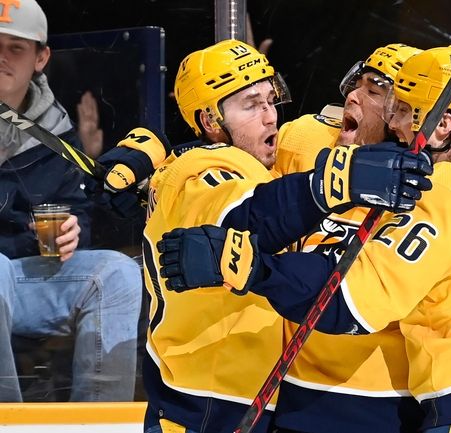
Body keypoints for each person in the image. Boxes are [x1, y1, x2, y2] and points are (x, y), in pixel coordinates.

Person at [158, 45, 451, 433]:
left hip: (422, 407)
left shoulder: (441, 186)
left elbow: (350, 299)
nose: (382, 109)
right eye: (360, 86)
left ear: (439, 121)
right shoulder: (306, 142)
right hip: (309, 404)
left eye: (388, 96)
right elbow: (222, 176)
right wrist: (146, 158)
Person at [138, 39, 432, 433]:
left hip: (292, 404)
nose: (270, 118)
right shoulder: (210, 169)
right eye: (249, 105)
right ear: (210, 120)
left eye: (270, 100)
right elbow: (244, 218)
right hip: (207, 400)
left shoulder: (297, 146)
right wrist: (337, 181)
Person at [270, 44, 426, 433]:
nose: (351, 96)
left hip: (390, 402)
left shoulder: (431, 179)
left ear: (404, 114)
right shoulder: (304, 141)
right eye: (355, 84)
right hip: (292, 393)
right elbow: (231, 172)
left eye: (373, 91)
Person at [0, 0, 142, 402]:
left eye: (16, 47)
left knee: (116, 273)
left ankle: (96, 423)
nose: (2, 57)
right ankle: (8, 422)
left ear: (40, 57)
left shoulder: (56, 131)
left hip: (22, 276)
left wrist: (71, 233)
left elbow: (77, 211)